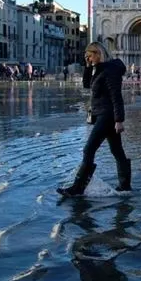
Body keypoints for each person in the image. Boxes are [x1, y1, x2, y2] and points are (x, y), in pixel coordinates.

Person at [57, 42, 132, 197]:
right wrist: (88, 66)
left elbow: (116, 95)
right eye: (87, 57)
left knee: (88, 149)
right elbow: (86, 85)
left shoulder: (110, 69)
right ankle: (125, 187)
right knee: (117, 151)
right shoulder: (99, 68)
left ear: (98, 53)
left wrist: (119, 120)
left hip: (107, 115)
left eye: (90, 56)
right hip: (102, 114)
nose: (89, 59)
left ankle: (78, 188)